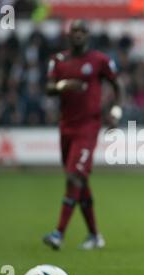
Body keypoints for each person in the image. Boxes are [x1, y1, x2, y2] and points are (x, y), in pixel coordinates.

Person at [43, 20, 120, 250]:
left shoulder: (99, 61)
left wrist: (115, 111)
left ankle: (58, 233)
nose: (78, 34)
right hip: (66, 126)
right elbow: (48, 89)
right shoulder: (58, 61)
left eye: (82, 31)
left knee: (73, 176)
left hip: (88, 127)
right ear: (69, 35)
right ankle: (95, 236)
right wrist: (63, 85)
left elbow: (118, 86)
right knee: (80, 179)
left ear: (88, 35)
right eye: (74, 31)